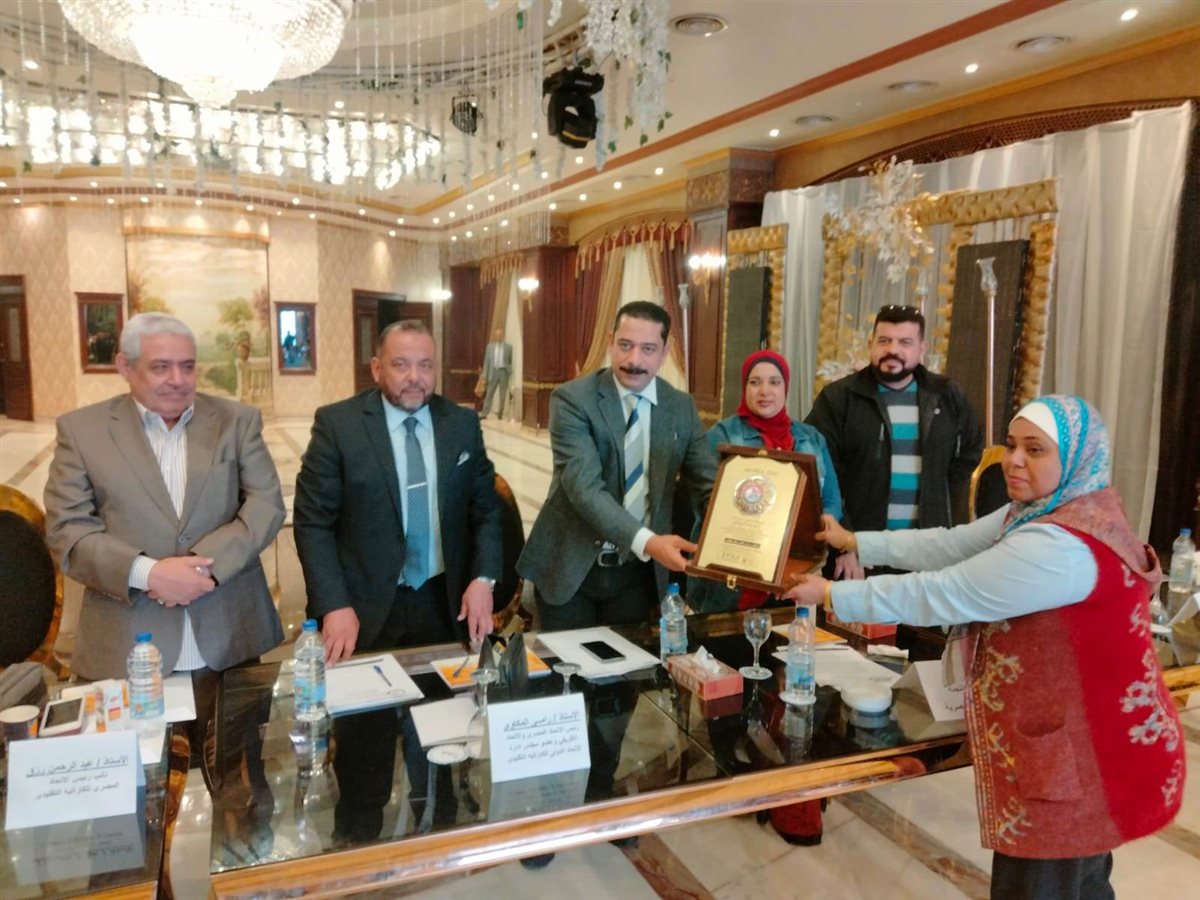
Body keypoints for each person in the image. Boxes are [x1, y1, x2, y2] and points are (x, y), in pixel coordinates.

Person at [787, 395, 1184, 900]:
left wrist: (831, 594)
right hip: (1078, 744)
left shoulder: (1061, 546)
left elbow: (943, 593)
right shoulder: (1053, 510)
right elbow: (949, 543)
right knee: (1081, 881)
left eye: (1035, 450)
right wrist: (856, 542)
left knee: (1045, 883)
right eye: (1012, 445)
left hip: (1074, 761)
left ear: (1076, 458)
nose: (1013, 460)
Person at [44, 312, 286, 788]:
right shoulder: (83, 431)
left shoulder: (236, 422)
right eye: (160, 367)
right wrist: (149, 573)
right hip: (128, 652)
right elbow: (67, 531)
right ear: (125, 366)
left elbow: (265, 505)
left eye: (187, 366)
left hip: (228, 642)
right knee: (133, 800)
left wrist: (204, 570)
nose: (178, 379)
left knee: (243, 792)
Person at [293, 319, 502, 841]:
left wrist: (483, 577)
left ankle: (438, 835)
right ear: (376, 368)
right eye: (401, 364)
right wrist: (334, 603)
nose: (415, 377)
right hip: (362, 610)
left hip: (442, 604)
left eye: (425, 365)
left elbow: (485, 511)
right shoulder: (339, 425)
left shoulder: (460, 423)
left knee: (443, 733)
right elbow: (313, 522)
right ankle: (358, 842)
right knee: (364, 744)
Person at [518, 300, 716, 631]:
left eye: (648, 349)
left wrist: (745, 540)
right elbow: (585, 489)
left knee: (628, 661)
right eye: (625, 345)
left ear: (665, 352)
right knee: (567, 662)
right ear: (610, 341)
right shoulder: (573, 399)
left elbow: (709, 484)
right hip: (570, 569)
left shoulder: (680, 407)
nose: (634, 360)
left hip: (636, 575)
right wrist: (650, 542)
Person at [806, 304, 982, 579]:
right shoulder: (839, 398)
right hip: (859, 555)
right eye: (884, 341)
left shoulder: (946, 396)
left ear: (922, 348)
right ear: (870, 345)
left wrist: (935, 488)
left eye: (905, 342)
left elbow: (970, 451)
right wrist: (844, 543)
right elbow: (818, 473)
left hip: (925, 551)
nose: (893, 350)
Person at [690, 349, 843, 613]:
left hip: (796, 569)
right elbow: (705, 502)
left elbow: (831, 500)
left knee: (787, 636)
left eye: (774, 382)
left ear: (785, 388)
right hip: (732, 576)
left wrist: (823, 525)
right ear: (744, 387)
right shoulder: (722, 435)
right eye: (755, 382)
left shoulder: (811, 438)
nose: (765, 391)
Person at [479, 327, 513, 419]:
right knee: (489, 393)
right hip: (493, 372)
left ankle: (500, 413)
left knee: (502, 394)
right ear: (495, 336)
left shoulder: (509, 347)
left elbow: (510, 361)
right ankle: (484, 413)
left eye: (500, 335)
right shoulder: (490, 347)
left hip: (503, 372)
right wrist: (484, 376)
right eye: (497, 335)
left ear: (503, 336)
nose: (498, 337)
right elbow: (486, 362)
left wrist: (509, 370)